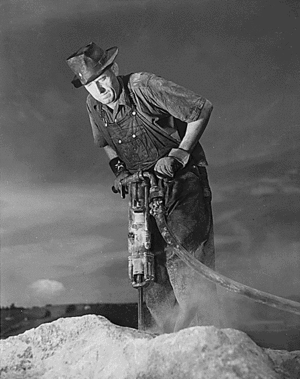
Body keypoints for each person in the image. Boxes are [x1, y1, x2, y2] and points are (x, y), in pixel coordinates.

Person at [66, 42, 220, 333]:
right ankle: (163, 340)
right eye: (91, 86)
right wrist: (120, 171)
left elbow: (201, 109)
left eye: (102, 80)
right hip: (143, 190)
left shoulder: (144, 85)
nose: (100, 90)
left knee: (185, 257)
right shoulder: (94, 105)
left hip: (182, 184)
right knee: (148, 267)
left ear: (115, 70)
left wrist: (180, 153)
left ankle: (202, 339)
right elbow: (106, 145)